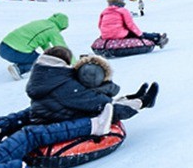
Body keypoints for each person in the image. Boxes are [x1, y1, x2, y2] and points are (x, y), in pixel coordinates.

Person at [25, 47, 158, 125]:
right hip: (62, 121)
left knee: (99, 102)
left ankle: (132, 98)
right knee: (108, 109)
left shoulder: (44, 76)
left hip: (54, 115)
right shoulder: (64, 85)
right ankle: (143, 102)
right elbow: (98, 103)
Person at [0, 13, 72, 80]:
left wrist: (50, 56)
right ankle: (19, 69)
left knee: (41, 57)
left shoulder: (42, 23)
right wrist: (73, 65)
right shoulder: (53, 30)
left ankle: (20, 63)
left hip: (3, 47)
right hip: (15, 52)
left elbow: (45, 44)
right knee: (44, 62)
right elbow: (62, 49)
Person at [98, 0, 168, 48]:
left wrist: (106, 33)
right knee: (141, 34)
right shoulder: (123, 10)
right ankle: (158, 38)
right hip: (119, 34)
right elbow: (130, 25)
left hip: (105, 35)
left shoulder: (105, 11)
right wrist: (139, 34)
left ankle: (158, 37)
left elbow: (99, 25)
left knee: (130, 32)